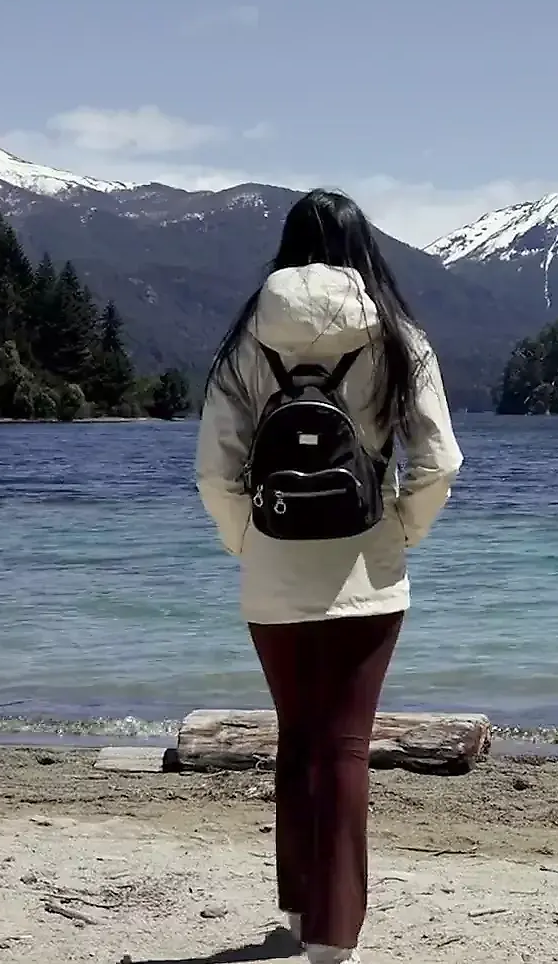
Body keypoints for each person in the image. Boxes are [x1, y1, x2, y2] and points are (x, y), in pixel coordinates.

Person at [195, 189, 463, 964]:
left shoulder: (247, 341)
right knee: (345, 745)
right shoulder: (399, 336)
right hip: (367, 573)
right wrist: (399, 531)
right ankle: (333, 938)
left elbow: (215, 472)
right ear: (362, 250)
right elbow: (439, 462)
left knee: (299, 736)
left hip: (271, 574)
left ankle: (297, 910)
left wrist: (250, 542)